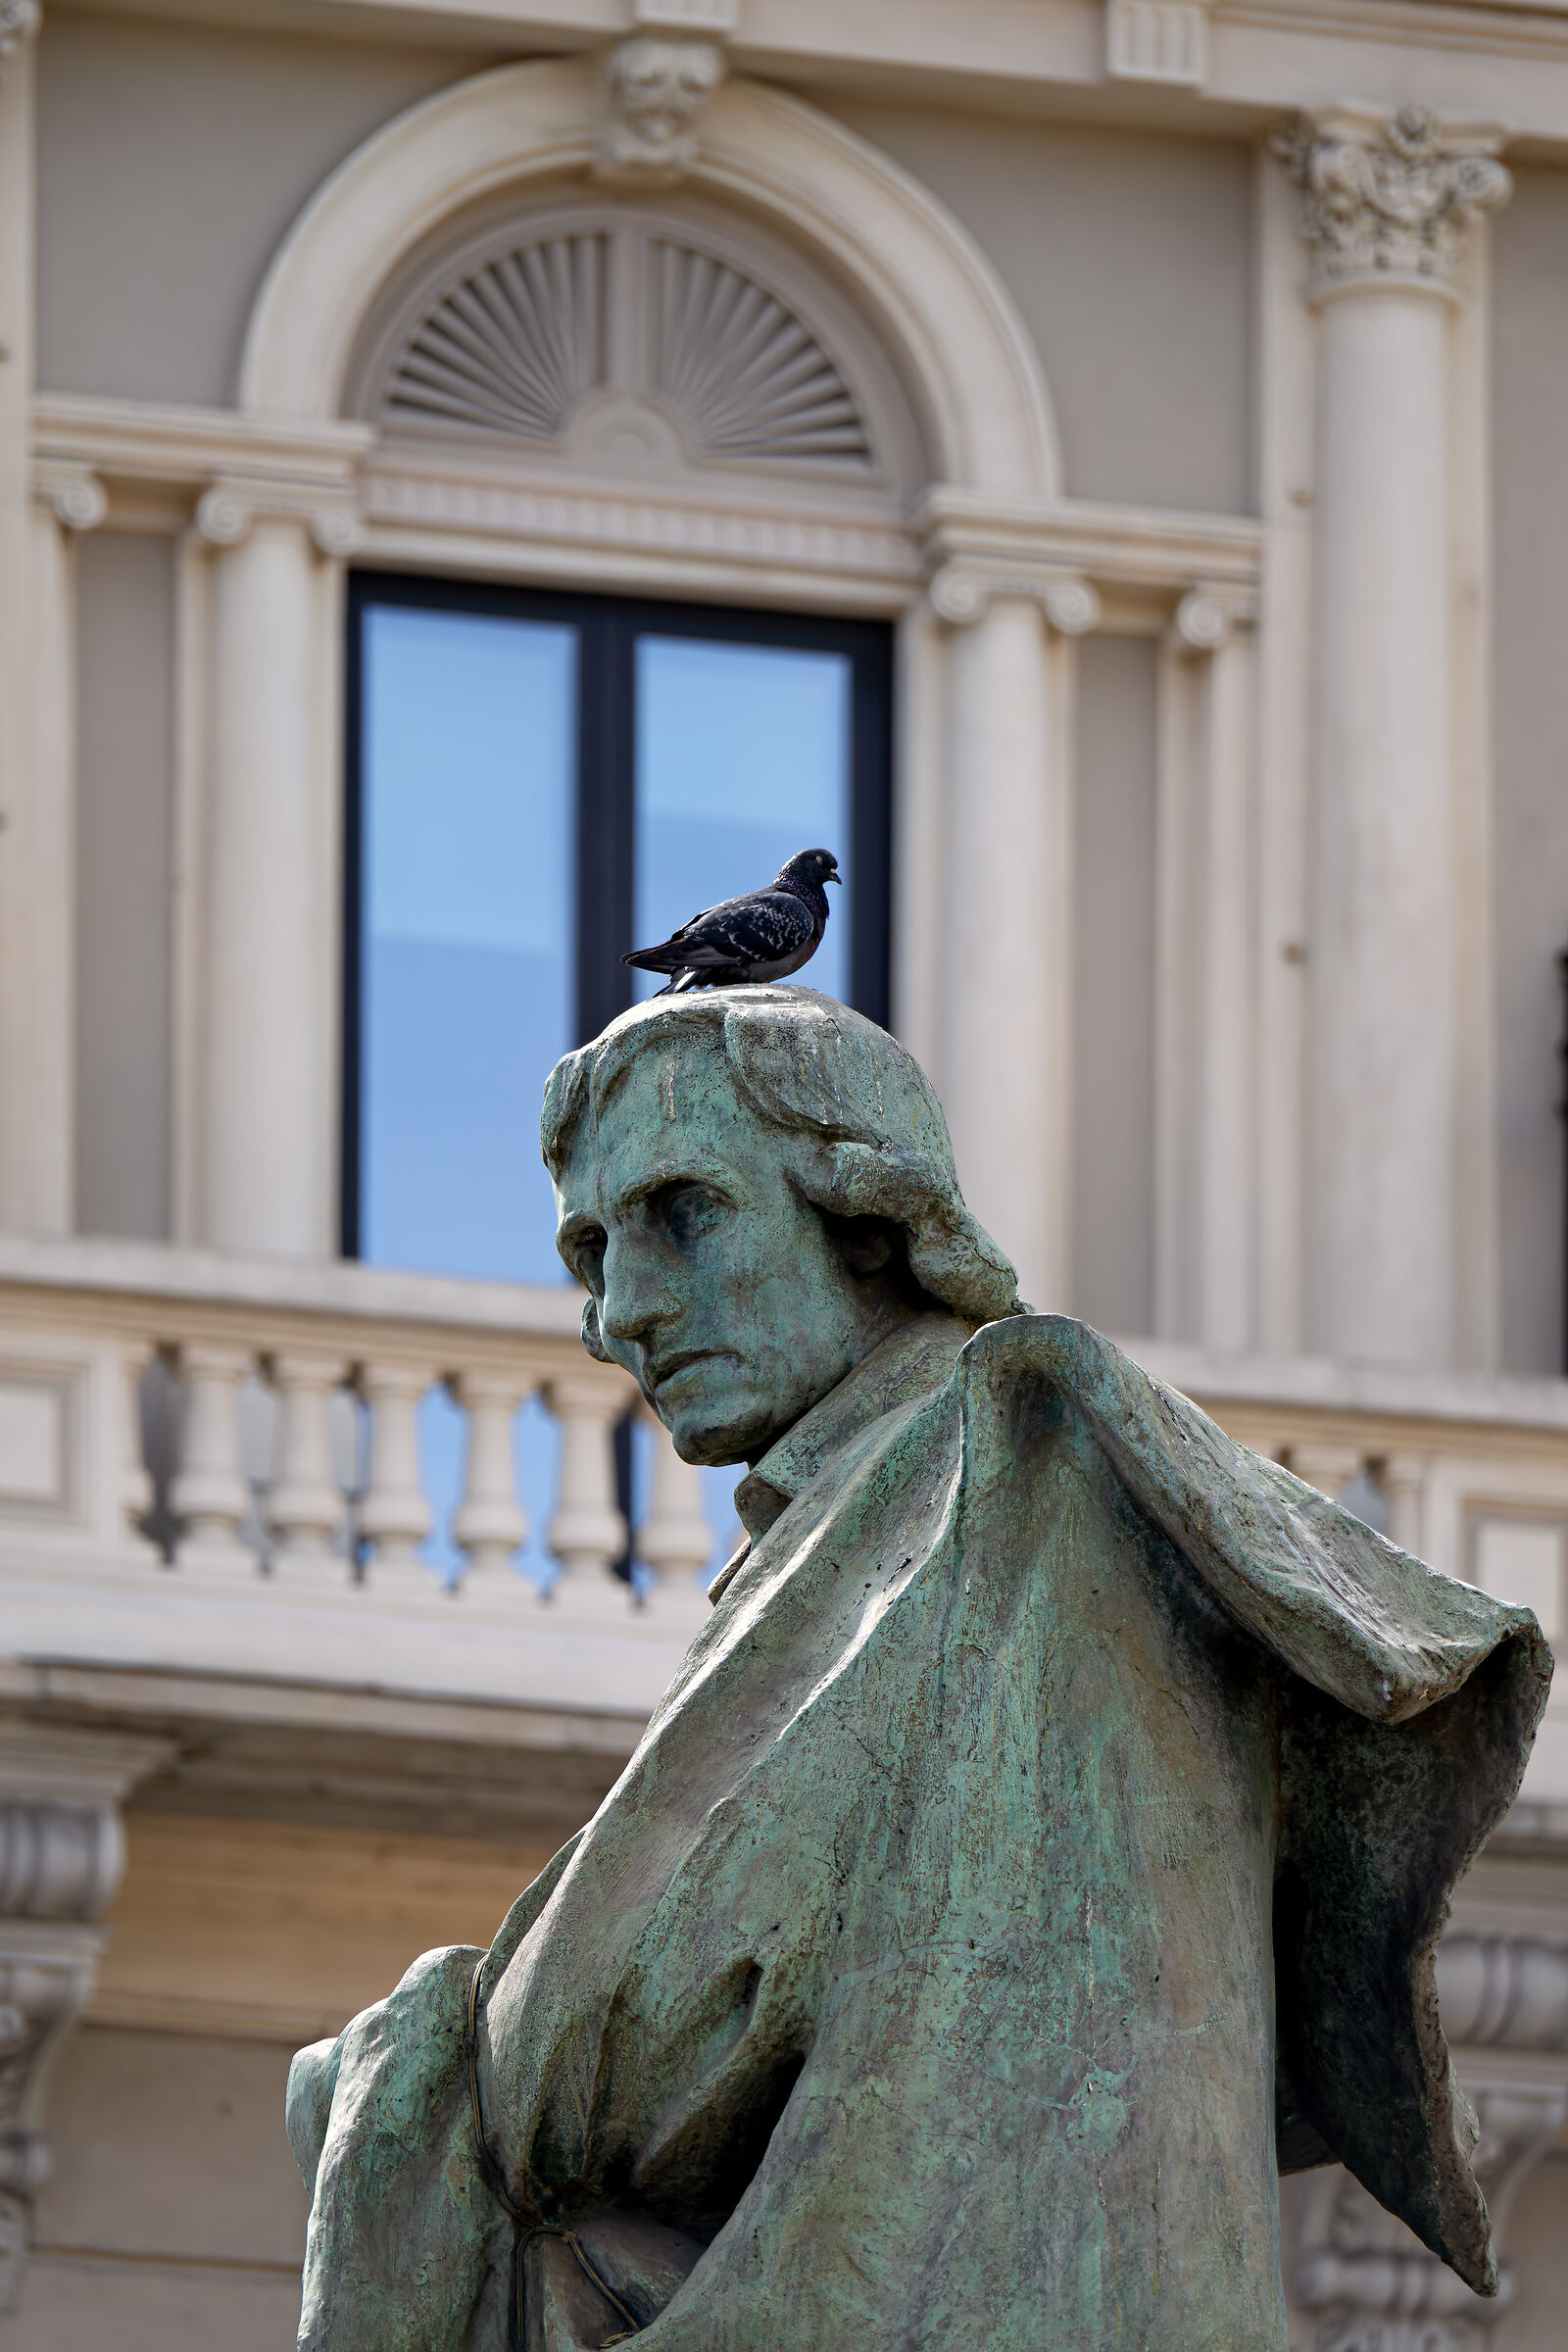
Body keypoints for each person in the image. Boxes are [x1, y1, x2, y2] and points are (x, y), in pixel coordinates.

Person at [289, 987, 1550, 2352]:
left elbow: (643, 2056)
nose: (624, 1313)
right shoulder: (866, 1512)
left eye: (687, 1214)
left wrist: (429, 2066)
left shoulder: (1002, 1479)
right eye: (591, 1252)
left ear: (871, 1220)